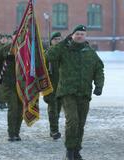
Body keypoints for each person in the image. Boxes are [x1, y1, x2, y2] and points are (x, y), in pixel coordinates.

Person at [46, 25, 105, 160]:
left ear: (85, 36)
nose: (79, 36)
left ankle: (77, 150)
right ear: (72, 35)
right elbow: (49, 56)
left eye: (82, 34)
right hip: (67, 92)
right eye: (77, 33)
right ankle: (69, 150)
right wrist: (61, 44)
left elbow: (99, 69)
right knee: (72, 121)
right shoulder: (64, 50)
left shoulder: (90, 52)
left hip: (84, 93)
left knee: (81, 123)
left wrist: (99, 85)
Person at [0, 30, 23, 141]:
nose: (17, 37)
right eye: (16, 35)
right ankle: (11, 133)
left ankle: (17, 132)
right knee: (13, 107)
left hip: (22, 84)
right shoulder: (6, 49)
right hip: (9, 83)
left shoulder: (27, 49)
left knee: (20, 109)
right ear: (12, 36)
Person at [43, 32, 63, 140]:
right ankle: (54, 130)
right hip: (50, 87)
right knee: (53, 109)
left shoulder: (65, 54)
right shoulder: (47, 54)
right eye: (55, 39)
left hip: (62, 87)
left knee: (58, 109)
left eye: (59, 39)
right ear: (51, 41)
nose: (58, 41)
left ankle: (54, 128)